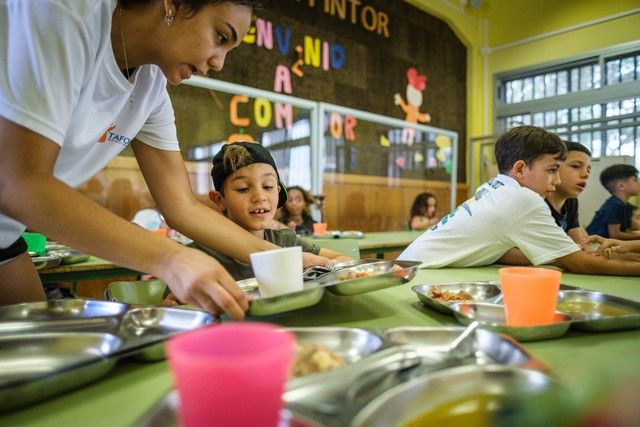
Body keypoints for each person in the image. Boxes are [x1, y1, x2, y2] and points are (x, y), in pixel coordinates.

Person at [0, 0, 330, 318]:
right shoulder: (63, 14)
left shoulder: (150, 87)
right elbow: (19, 183)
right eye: (220, 37)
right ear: (174, 3)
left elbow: (181, 208)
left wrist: (283, 258)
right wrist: (172, 259)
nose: (218, 63)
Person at [398, 125, 640, 276]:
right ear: (521, 169)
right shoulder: (524, 199)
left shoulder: (497, 186)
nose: (555, 181)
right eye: (552, 170)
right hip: (419, 276)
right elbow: (579, 263)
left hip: (412, 270)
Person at [194, 141, 352, 279]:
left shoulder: (286, 241)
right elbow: (174, 304)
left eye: (268, 186)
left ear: (277, 191)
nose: (260, 197)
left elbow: (343, 259)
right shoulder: (201, 252)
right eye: (243, 189)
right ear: (219, 200)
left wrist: (319, 270)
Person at [586, 164, 640, 240]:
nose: (639, 183)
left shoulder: (628, 206)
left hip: (610, 243)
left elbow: (626, 231)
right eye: (635, 179)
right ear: (621, 186)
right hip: (594, 243)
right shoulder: (614, 205)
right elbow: (615, 235)